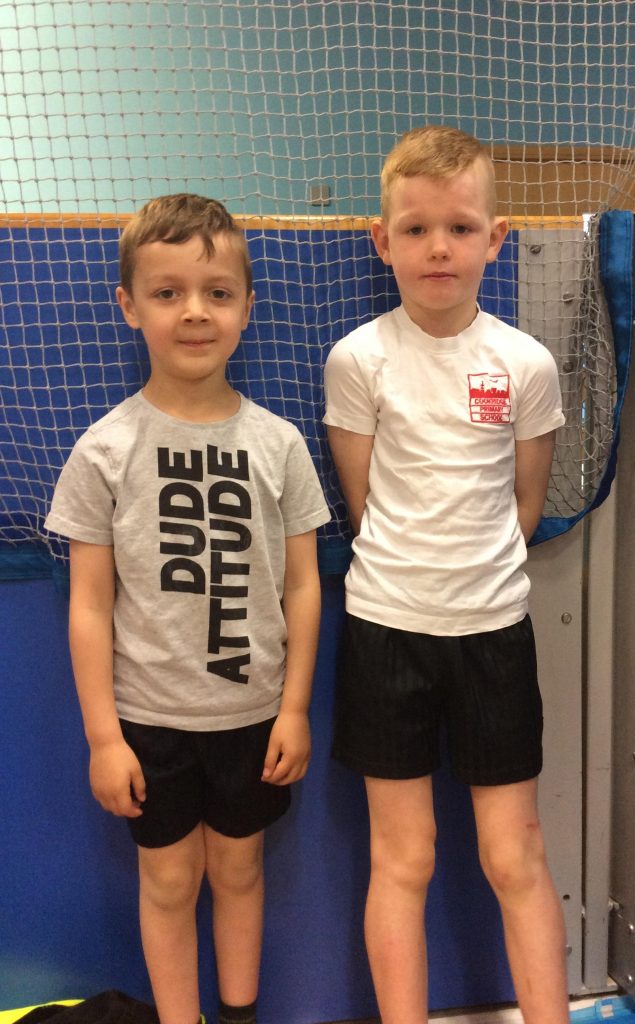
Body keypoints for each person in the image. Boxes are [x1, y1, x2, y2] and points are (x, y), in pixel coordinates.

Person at [45, 194, 330, 1024]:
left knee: (239, 871)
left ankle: (237, 1016)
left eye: (216, 291)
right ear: (129, 306)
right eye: (167, 292)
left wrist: (295, 707)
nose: (194, 311)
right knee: (169, 881)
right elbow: (89, 603)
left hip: (253, 716)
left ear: (247, 306)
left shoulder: (279, 444)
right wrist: (105, 737)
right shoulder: (104, 449)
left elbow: (303, 585)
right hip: (149, 722)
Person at [323, 126, 569, 1024]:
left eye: (460, 228)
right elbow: (363, 506)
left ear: (495, 239)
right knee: (405, 857)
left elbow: (525, 504)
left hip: (492, 632)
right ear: (381, 240)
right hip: (386, 631)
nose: (439, 248)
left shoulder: (525, 364)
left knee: (515, 854)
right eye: (416, 229)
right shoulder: (358, 359)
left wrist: (473, 579)